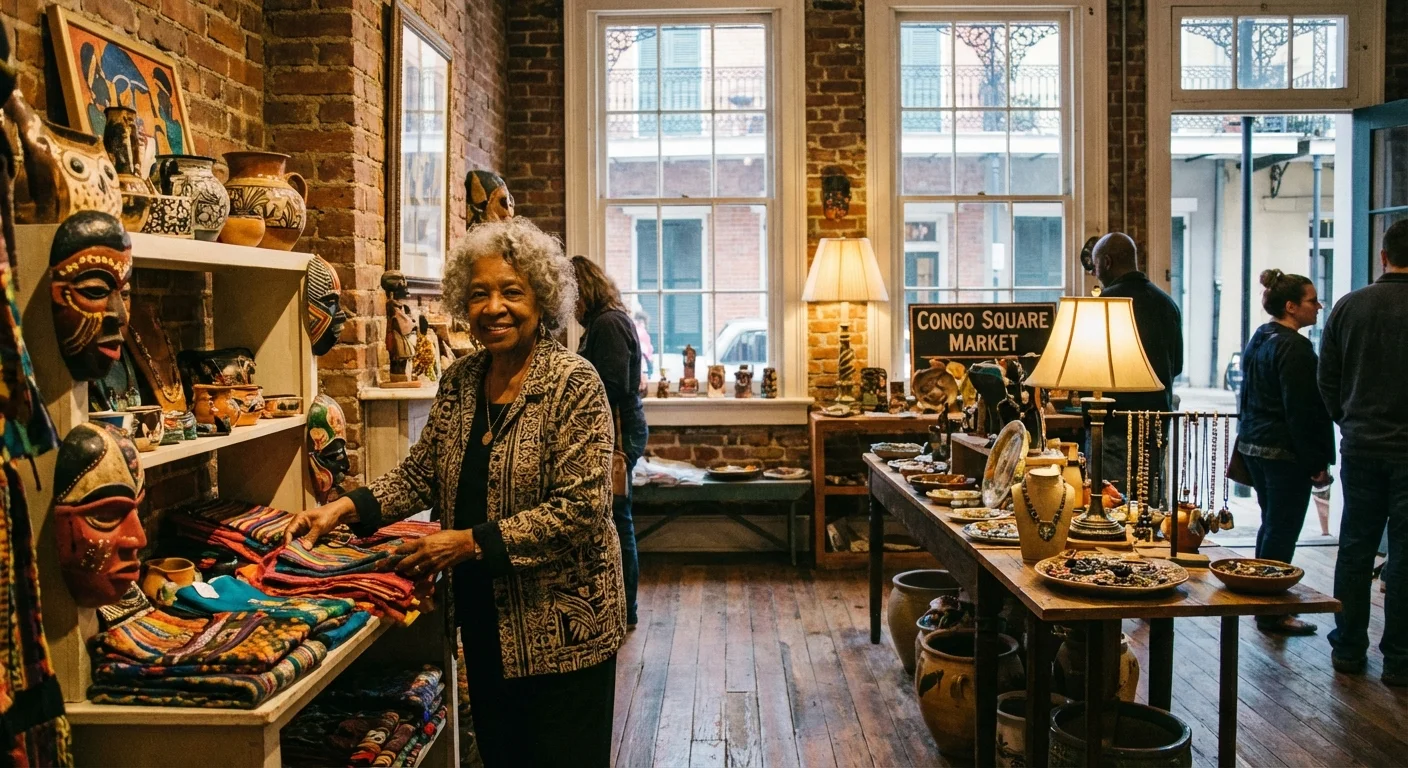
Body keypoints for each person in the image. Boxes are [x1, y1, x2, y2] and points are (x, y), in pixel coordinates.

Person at [285, 219, 626, 764]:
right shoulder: (461, 380)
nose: (494, 307)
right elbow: (420, 474)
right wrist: (342, 507)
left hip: (564, 628)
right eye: (479, 294)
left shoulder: (574, 383)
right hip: (484, 617)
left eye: (512, 291)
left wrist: (467, 543)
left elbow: (581, 508)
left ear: (541, 299)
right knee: (501, 753)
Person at [1319, 218, 1408, 687]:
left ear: (1383, 256)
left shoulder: (1349, 307)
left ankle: (1349, 648)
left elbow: (1325, 378)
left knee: (1355, 547)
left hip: (1360, 443)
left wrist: (1347, 419)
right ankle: (1400, 658)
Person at [1237, 269, 1332, 635]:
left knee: (1271, 525)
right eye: (1312, 301)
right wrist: (1316, 462)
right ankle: (1272, 611)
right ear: (1291, 307)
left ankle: (1260, 598)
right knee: (1283, 530)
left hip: (1255, 446)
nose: (1319, 306)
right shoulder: (1294, 347)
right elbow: (1303, 411)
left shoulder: (1261, 336)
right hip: (1283, 453)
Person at [571, 255, 648, 627]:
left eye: (572, 296)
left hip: (619, 433)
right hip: (620, 430)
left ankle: (626, 611)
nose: (569, 306)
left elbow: (613, 383)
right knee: (617, 519)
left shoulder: (609, 324)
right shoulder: (605, 322)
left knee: (618, 520)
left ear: (584, 290)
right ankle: (619, 608)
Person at [1090, 232, 1184, 488]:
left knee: (1111, 501)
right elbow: (1176, 366)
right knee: (1147, 502)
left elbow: (1088, 370)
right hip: (1155, 422)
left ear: (1107, 262)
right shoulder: (1168, 304)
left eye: (1095, 265)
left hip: (1113, 423)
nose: (1095, 274)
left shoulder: (1103, 304)